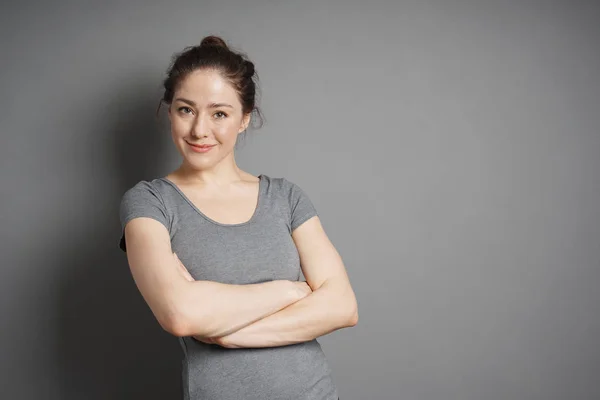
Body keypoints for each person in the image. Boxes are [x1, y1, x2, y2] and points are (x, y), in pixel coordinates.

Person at [118, 35, 357, 400]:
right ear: (169, 112)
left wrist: (228, 335)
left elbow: (342, 306)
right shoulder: (151, 202)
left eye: (219, 113)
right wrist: (289, 291)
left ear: (244, 119)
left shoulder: (285, 197)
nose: (200, 129)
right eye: (186, 109)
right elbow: (179, 314)